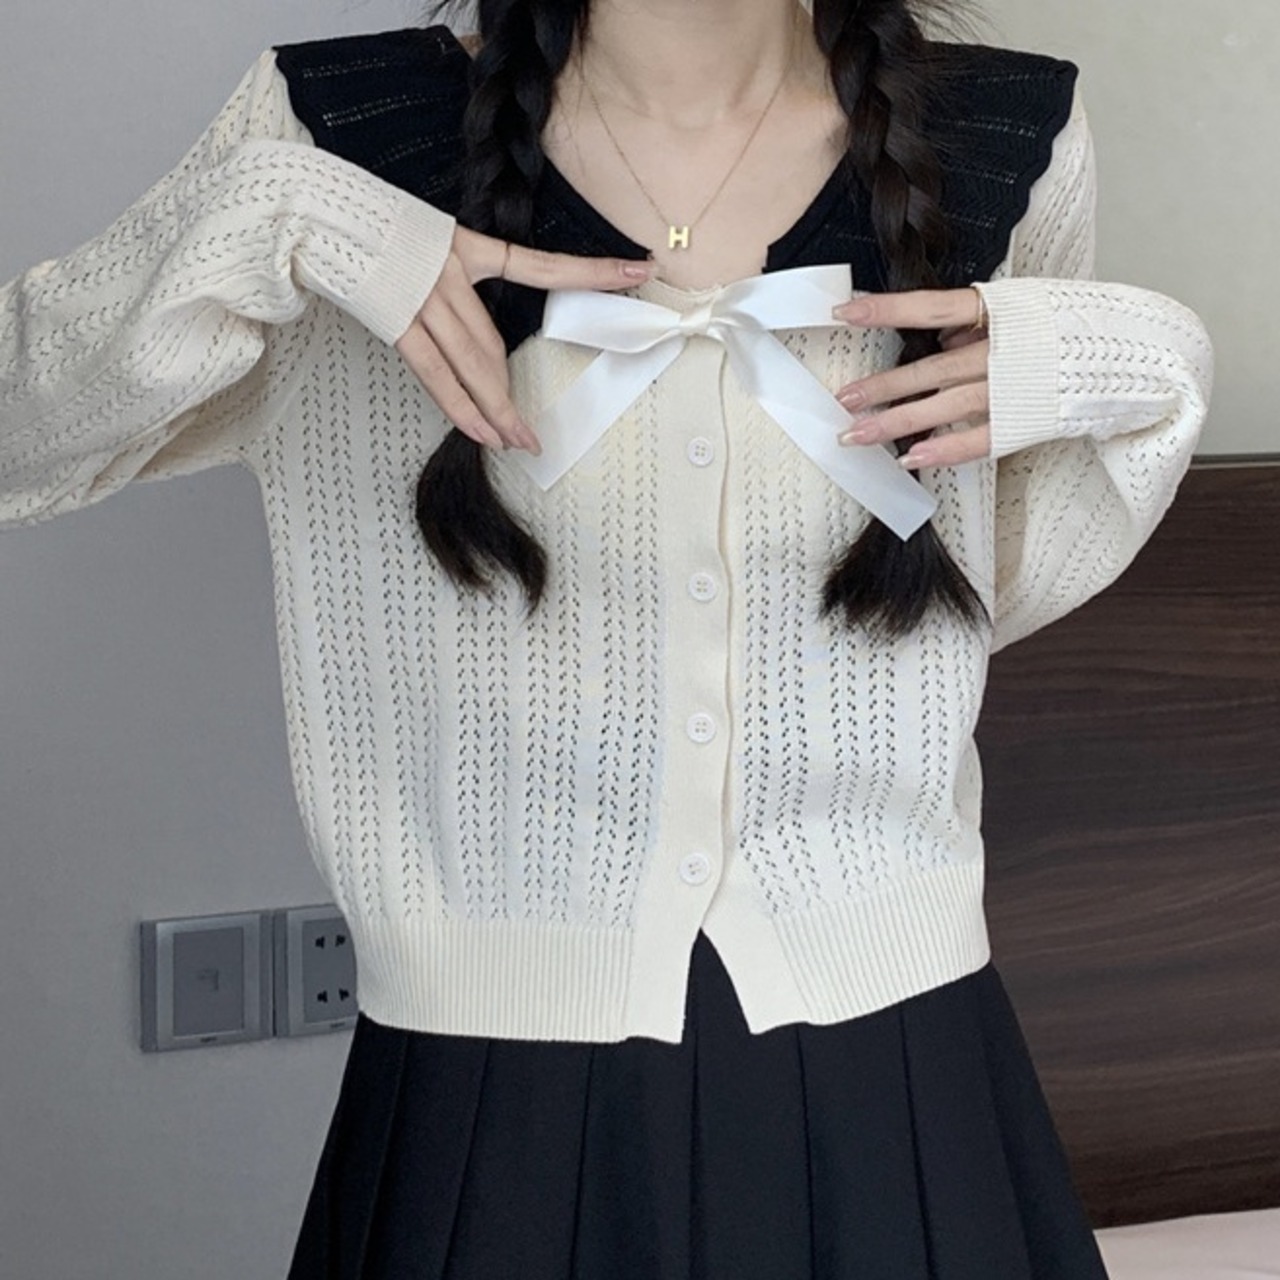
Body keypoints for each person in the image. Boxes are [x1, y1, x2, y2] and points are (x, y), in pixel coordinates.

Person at [1, 0, 1212, 1276]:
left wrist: (1151, 357)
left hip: (903, 1062)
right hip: (489, 1087)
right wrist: (277, 220)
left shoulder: (1007, 139)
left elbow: (978, 584)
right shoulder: (335, 133)